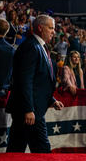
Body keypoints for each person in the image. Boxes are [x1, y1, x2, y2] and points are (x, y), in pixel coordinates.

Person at [6, 15, 64, 153]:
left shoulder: (40, 46)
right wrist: (28, 109)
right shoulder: (31, 47)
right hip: (28, 112)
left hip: (34, 110)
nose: (53, 32)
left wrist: (51, 100)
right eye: (50, 28)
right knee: (38, 150)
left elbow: (39, 82)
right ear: (40, 27)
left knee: (19, 149)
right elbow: (24, 81)